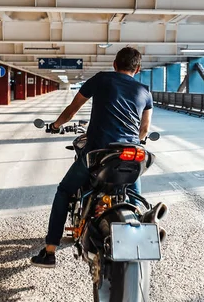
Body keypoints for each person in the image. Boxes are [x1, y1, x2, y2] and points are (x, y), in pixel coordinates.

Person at [31, 47, 153, 268]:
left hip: (98, 152)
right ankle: (140, 222)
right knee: (135, 199)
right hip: (130, 154)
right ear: (138, 69)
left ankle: (49, 251)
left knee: (64, 191)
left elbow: (72, 110)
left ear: (115, 64)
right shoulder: (145, 91)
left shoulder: (101, 79)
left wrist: (55, 126)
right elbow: (144, 129)